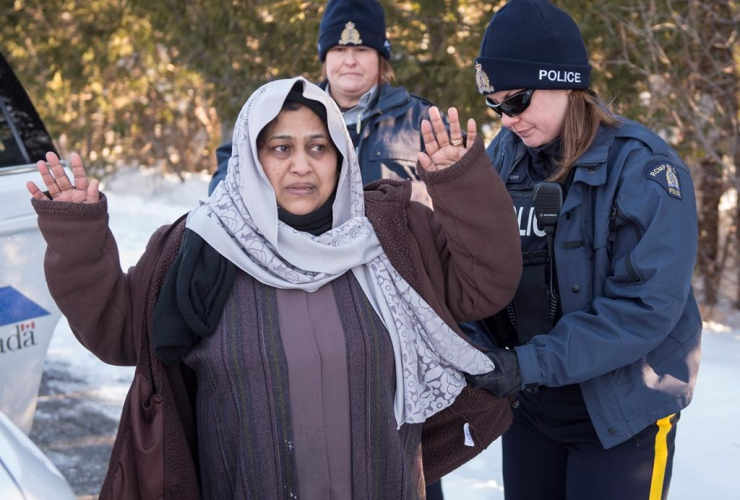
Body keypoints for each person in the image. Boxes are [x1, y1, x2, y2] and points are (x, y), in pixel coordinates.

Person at [28, 77, 522, 500]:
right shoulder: (198, 246)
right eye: (280, 148)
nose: (302, 166)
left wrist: (460, 183)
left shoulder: (391, 235)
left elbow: (484, 286)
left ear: (340, 156)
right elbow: (117, 334)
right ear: (250, 156)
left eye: (318, 147)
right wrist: (79, 235)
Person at [464, 1, 702, 499]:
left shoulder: (646, 171)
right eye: (496, 105)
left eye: (518, 100)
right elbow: (479, 267)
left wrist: (525, 364)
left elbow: (645, 306)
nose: (506, 120)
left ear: (565, 81)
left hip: (621, 416)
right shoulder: (504, 158)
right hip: (531, 408)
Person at [209, 0, 436, 206]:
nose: (350, 61)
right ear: (324, 57)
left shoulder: (422, 118)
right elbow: (228, 173)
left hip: (398, 249)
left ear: (380, 58)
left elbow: (456, 186)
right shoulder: (285, 108)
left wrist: (427, 196)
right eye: (339, 50)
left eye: (362, 50)